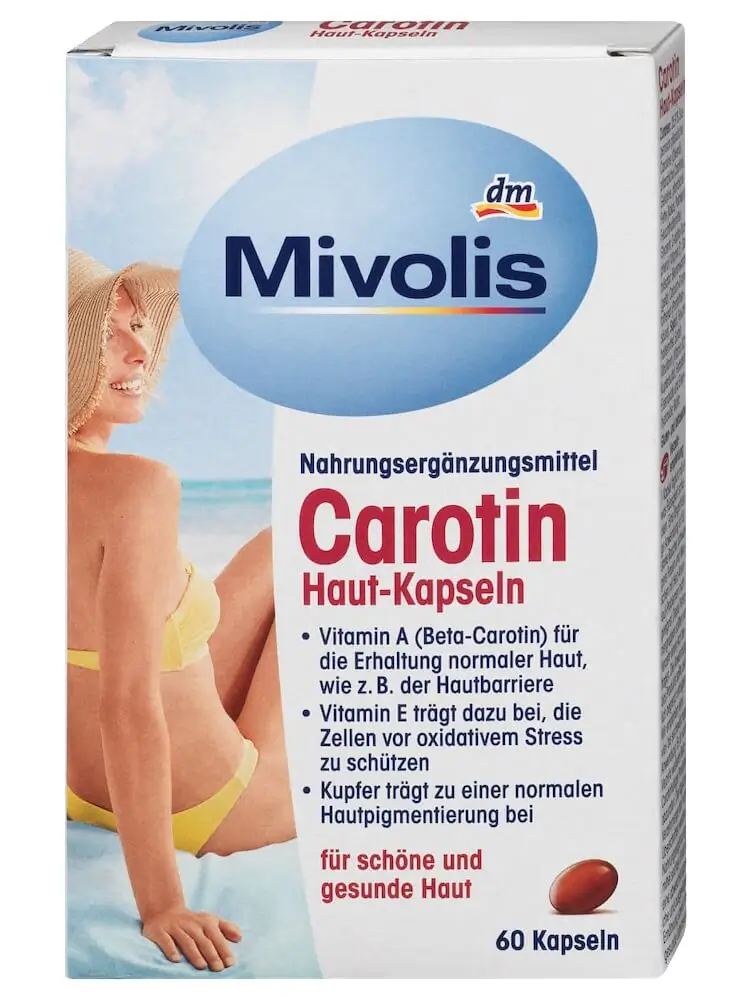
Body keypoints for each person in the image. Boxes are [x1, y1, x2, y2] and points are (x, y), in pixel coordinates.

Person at [67, 249, 294, 973]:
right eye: (103, 335)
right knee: (329, 583)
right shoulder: (137, 487)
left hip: (79, 787)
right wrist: (163, 903)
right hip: (210, 806)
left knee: (293, 537)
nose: (139, 352)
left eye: (136, 327)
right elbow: (127, 706)